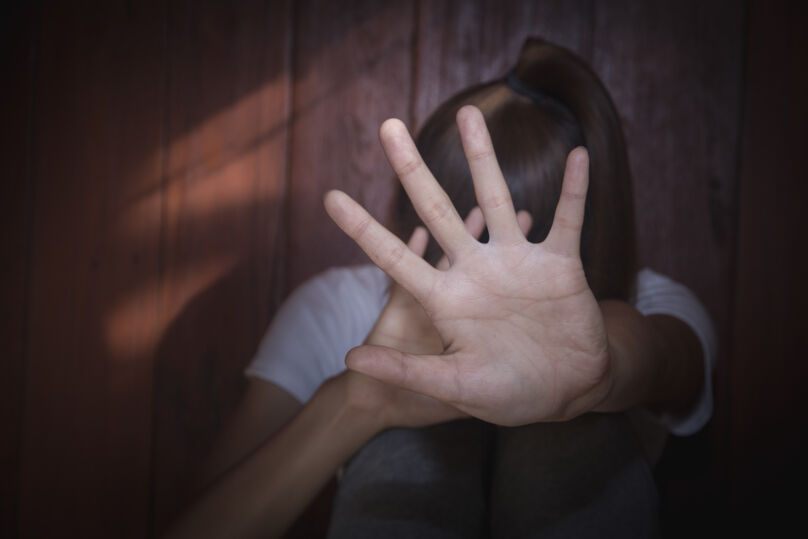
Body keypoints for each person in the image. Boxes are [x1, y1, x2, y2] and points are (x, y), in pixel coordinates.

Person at [165, 38, 716, 539]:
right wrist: (361, 403)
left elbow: (658, 353)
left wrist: (595, 378)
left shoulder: (646, 300)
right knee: (407, 440)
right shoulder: (340, 305)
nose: (475, 272)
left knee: (575, 431)